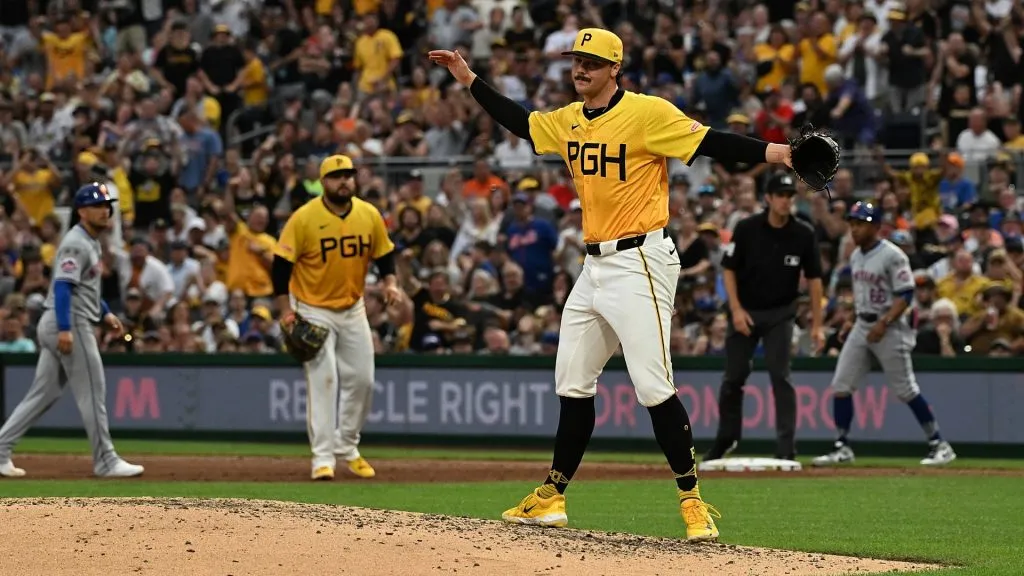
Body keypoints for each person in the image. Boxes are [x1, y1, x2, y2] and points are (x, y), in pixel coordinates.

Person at [430, 27, 794, 541]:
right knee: (571, 380)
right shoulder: (570, 119)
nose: (581, 69)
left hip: (641, 258)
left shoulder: (648, 113)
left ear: (614, 69)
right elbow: (523, 123)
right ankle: (553, 496)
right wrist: (468, 78)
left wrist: (778, 154)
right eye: (577, 61)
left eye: (592, 63)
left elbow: (711, 141)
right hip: (594, 264)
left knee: (651, 385)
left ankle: (692, 499)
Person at [272, 155, 404, 481]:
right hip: (312, 308)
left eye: (348, 175)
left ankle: (348, 445)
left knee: (364, 380)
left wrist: (391, 283)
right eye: (336, 176)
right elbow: (280, 267)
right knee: (324, 379)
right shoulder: (304, 218)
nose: (344, 181)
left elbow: (385, 255)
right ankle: (322, 457)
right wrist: (285, 311)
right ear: (323, 182)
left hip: (352, 307)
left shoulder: (368, 214)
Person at [0, 183, 144, 478]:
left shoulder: (90, 240)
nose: (106, 209)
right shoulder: (77, 242)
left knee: (43, 394)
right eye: (98, 205)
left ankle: (0, 449)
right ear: (81, 211)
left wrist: (105, 313)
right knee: (93, 390)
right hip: (69, 322)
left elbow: (85, 287)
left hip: (65, 320)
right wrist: (66, 329)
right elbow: (64, 288)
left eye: (107, 204)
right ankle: (106, 461)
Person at [813, 201, 956, 467]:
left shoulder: (893, 255)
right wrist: (851, 321)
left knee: (905, 389)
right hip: (863, 324)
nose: (855, 229)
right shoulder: (855, 256)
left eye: (861, 223)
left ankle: (939, 444)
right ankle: (842, 446)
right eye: (853, 223)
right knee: (841, 385)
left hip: (890, 328)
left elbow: (905, 293)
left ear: (876, 226)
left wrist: (885, 322)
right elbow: (861, 295)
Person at [705, 171, 824, 463]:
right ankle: (726, 438)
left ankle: (786, 447)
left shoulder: (803, 233)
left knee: (780, 375)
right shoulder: (746, 228)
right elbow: (728, 268)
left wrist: (818, 325)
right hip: (745, 309)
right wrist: (735, 309)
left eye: (789, 196)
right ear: (768, 198)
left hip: (781, 313)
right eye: (780, 195)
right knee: (733, 377)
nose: (785, 201)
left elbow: (815, 279)